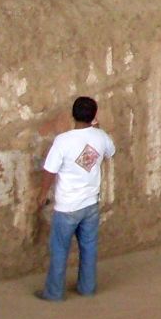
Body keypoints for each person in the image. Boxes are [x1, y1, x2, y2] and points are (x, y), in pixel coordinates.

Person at [35, 96, 116, 302]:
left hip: (68, 206)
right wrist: (98, 128)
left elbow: (49, 170)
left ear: (73, 114)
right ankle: (87, 288)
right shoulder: (100, 136)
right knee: (89, 247)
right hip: (91, 203)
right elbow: (110, 151)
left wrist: (42, 194)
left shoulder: (63, 140)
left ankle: (54, 293)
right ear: (94, 116)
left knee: (60, 249)